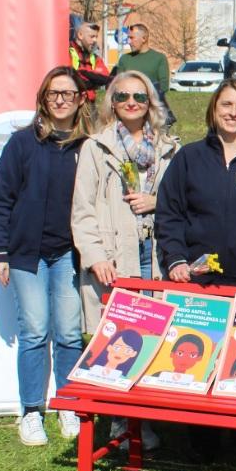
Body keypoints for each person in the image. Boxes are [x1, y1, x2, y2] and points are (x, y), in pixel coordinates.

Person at [0, 65, 92, 446]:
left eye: (67, 93)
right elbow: (0, 199)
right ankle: (32, 411)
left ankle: (67, 404)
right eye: (53, 94)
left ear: (80, 99)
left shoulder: (88, 146)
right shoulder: (22, 143)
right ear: (43, 100)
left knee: (67, 333)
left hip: (68, 254)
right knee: (34, 332)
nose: (60, 100)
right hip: (26, 254)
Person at [73, 70, 180, 334]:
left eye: (139, 96)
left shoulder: (168, 147)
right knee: (117, 337)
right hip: (114, 255)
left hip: (155, 253)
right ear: (112, 101)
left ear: (150, 102)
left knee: (154, 335)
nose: (131, 102)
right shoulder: (95, 148)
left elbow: (182, 202)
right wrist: (96, 257)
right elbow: (82, 209)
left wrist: (156, 201)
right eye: (122, 96)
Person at [156, 79, 236, 287]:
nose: (233, 113)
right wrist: (175, 259)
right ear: (214, 108)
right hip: (195, 278)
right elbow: (169, 214)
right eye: (226, 104)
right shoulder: (189, 156)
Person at [114, 23, 170, 93]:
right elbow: (118, 84)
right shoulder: (124, 59)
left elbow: (164, 86)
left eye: (131, 38)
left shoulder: (159, 58)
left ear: (144, 38)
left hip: (152, 101)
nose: (129, 42)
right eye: (128, 38)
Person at [69, 22, 111, 102]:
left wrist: (83, 74)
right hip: (72, 102)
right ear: (80, 35)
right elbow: (68, 77)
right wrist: (94, 80)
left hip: (90, 102)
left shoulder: (95, 57)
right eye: (92, 37)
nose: (95, 40)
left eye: (96, 37)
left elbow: (106, 78)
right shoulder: (67, 51)